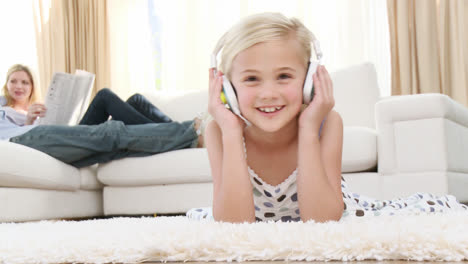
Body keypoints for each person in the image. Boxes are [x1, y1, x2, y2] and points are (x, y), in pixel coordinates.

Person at [186, 12, 467, 223]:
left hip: (336, 216)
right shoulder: (219, 132)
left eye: (284, 76)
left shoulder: (326, 124)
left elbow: (321, 222)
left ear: (310, 79)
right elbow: (233, 226)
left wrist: (308, 130)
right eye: (251, 79)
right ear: (226, 88)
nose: (268, 93)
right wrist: (232, 133)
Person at [1, 64, 204, 168]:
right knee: (112, 135)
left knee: (134, 102)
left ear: (32, 87)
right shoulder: (4, 108)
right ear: (6, 85)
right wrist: (28, 120)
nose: (18, 86)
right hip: (30, 138)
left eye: (24, 82)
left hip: (50, 134)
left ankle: (177, 133)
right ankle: (189, 132)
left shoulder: (37, 107)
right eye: (13, 81)